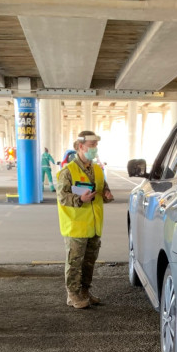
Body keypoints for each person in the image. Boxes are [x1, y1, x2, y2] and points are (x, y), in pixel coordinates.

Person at [56, 131, 114, 309]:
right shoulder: (68, 171)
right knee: (74, 262)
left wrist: (107, 194)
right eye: (91, 146)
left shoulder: (97, 169)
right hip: (76, 226)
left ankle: (85, 291)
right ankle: (72, 294)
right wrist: (80, 199)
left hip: (94, 226)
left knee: (89, 261)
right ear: (80, 147)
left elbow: (104, 189)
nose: (94, 149)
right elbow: (62, 196)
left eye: (96, 146)